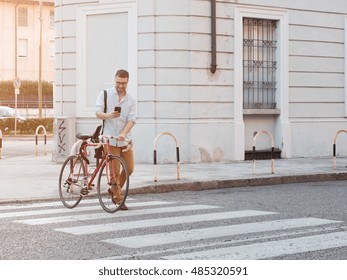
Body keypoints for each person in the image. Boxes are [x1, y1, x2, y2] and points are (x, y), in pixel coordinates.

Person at [96, 69, 137, 210]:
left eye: (124, 83)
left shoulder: (131, 99)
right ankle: (118, 198)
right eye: (118, 82)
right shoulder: (105, 94)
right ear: (114, 79)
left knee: (129, 168)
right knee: (115, 170)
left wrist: (124, 134)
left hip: (124, 139)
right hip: (110, 138)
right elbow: (98, 113)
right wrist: (109, 116)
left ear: (128, 82)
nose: (120, 86)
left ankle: (113, 189)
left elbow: (132, 120)